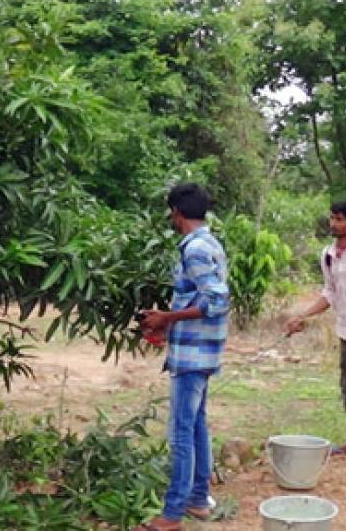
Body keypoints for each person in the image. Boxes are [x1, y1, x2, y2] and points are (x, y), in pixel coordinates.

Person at [135, 184, 230, 531]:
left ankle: (172, 514)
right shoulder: (211, 243)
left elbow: (216, 301)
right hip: (201, 348)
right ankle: (198, 499)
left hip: (193, 354)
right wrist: (166, 323)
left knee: (180, 432)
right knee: (197, 424)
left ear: (176, 211)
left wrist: (167, 318)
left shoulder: (195, 249)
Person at [285, 201, 346, 469]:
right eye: (332, 218)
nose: (334, 224)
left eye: (339, 219)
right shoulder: (328, 255)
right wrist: (303, 316)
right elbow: (330, 292)